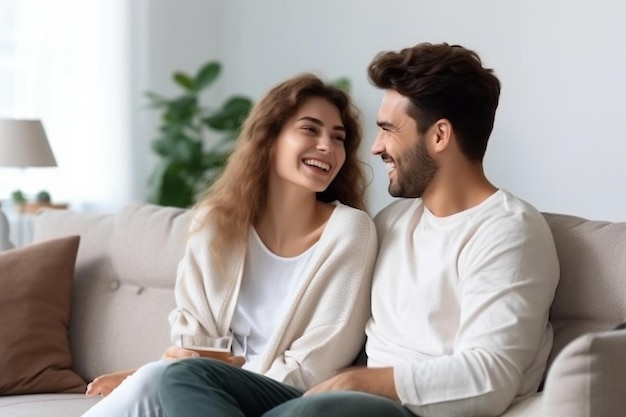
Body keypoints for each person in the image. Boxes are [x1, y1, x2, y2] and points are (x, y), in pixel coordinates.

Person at [157, 42, 560, 417]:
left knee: (315, 411)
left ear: (439, 135)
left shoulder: (508, 231)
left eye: (389, 129)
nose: (374, 147)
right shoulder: (392, 224)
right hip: (341, 403)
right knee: (182, 377)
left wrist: (361, 380)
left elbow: (490, 377)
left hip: (408, 410)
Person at [80, 73, 377, 417]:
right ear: (270, 137)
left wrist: (171, 374)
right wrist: (183, 371)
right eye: (310, 129)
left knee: (154, 380)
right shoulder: (215, 225)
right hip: (200, 391)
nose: (327, 145)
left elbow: (315, 365)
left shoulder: (350, 231)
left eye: (338, 137)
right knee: (157, 381)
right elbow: (193, 345)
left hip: (288, 397)